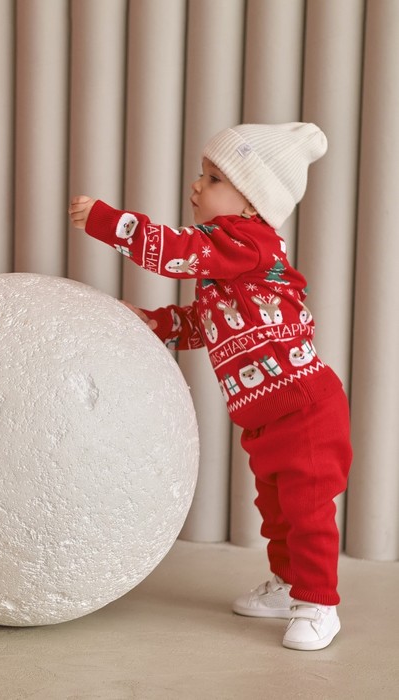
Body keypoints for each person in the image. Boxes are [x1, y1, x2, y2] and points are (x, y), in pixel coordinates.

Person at [69, 122, 352, 651]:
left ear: (252, 203)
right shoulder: (230, 267)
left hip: (305, 409)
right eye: (202, 174)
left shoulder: (249, 242)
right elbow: (203, 324)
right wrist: (153, 322)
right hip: (266, 416)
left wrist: (109, 222)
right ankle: (288, 585)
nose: (197, 186)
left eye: (215, 178)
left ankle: (320, 603)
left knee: (308, 511)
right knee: (277, 511)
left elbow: (178, 250)